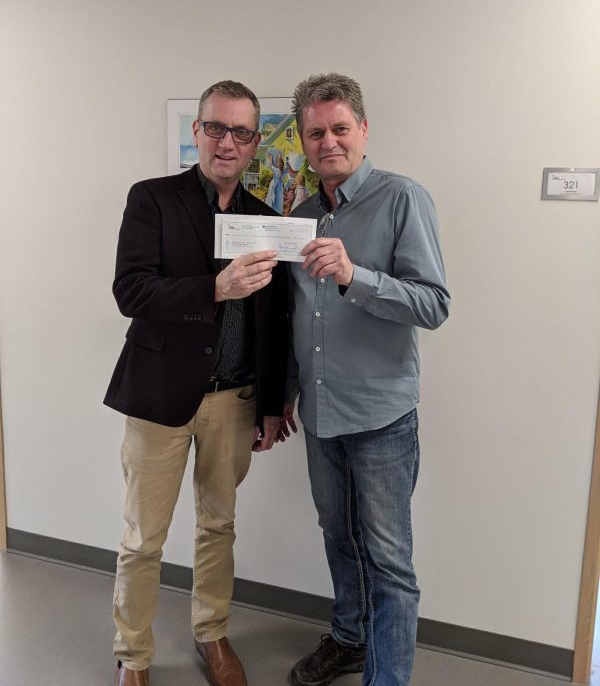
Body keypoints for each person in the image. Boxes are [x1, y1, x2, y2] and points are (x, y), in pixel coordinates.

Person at [104, 80, 289, 686]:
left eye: (240, 132)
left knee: (218, 527)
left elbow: (274, 323)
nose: (226, 142)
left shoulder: (268, 220)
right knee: (143, 539)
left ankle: (212, 634)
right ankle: (133, 655)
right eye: (215, 128)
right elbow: (130, 291)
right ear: (197, 132)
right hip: (159, 395)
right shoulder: (153, 199)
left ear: (255, 143)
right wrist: (214, 287)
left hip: (235, 401)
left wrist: (271, 404)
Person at [283, 73, 450, 686]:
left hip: (382, 416)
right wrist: (284, 397)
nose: (328, 142)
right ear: (303, 141)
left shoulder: (403, 199)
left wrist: (356, 276)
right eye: (315, 133)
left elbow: (434, 304)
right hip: (320, 413)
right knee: (337, 537)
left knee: (390, 560)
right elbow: (298, 318)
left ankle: (388, 678)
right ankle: (350, 639)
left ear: (363, 130)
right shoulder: (301, 217)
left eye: (340, 129)